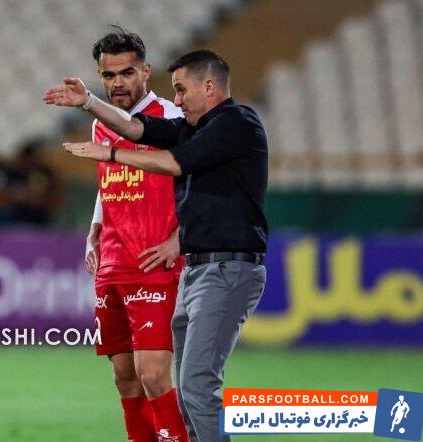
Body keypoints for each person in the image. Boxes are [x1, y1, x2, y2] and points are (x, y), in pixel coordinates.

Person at [44, 49, 268, 442]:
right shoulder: (194, 128)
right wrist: (88, 102)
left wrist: (111, 154)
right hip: (199, 269)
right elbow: (135, 128)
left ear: (209, 87)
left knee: (195, 385)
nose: (176, 100)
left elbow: (174, 163)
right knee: (188, 389)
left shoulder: (237, 122)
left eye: (182, 90)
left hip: (227, 267)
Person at [81, 27, 189, 441]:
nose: (118, 83)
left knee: (153, 375)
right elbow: (108, 179)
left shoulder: (173, 118)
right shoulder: (102, 125)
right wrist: (94, 230)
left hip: (155, 261)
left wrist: (180, 239)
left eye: (126, 73)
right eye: (109, 76)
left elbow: (198, 182)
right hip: (113, 261)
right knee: (125, 378)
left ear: (145, 71)